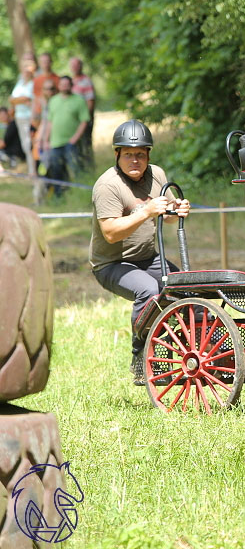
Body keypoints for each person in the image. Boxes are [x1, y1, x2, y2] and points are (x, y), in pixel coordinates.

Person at [89, 120, 190, 384]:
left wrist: (176, 209)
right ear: (117, 155)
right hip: (112, 263)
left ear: (148, 155)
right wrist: (145, 211)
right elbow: (110, 232)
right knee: (149, 291)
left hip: (148, 258)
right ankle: (140, 353)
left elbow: (165, 215)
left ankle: (202, 343)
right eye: (129, 155)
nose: (135, 160)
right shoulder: (107, 186)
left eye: (141, 155)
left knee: (188, 286)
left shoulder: (157, 175)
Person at [42, 76, 90, 196]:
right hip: (55, 143)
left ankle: (81, 194)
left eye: (67, 84)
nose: (64, 86)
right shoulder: (53, 101)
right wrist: (46, 140)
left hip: (71, 143)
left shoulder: (78, 100)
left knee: (75, 169)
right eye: (62, 84)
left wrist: (75, 138)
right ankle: (59, 195)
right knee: (56, 170)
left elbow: (84, 121)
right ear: (59, 86)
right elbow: (50, 122)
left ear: (71, 85)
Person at [9, 54, 37, 179]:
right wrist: (18, 100)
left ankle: (34, 171)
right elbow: (12, 99)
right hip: (19, 117)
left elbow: (28, 98)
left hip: (29, 117)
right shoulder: (20, 82)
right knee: (25, 145)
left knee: (30, 144)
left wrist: (17, 100)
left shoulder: (34, 83)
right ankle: (31, 170)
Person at [69, 56, 96, 169]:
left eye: (77, 65)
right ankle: (80, 168)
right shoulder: (71, 81)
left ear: (81, 66)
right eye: (72, 65)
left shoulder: (86, 81)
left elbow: (90, 101)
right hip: (73, 121)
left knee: (86, 144)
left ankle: (89, 168)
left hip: (83, 120)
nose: (75, 68)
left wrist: (85, 118)